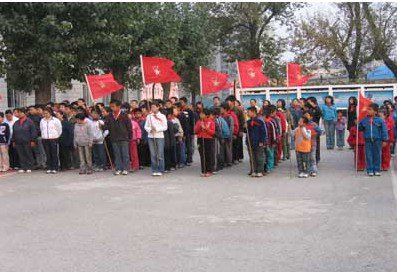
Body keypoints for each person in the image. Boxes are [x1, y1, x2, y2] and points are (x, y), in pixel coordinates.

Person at [358, 103, 388, 176]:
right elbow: (360, 129)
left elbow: (384, 130)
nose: (368, 111)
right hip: (367, 140)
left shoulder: (380, 120)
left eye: (370, 110)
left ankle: (377, 169)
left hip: (377, 140)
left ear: (375, 112)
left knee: (377, 155)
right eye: (368, 109)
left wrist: (385, 140)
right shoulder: (364, 120)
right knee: (369, 155)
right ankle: (370, 170)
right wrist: (358, 125)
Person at [105, 99, 132, 175]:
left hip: (124, 137)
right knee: (117, 154)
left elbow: (129, 127)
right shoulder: (109, 116)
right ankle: (118, 168)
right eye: (111, 107)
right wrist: (102, 126)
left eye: (113, 106)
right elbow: (106, 126)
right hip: (114, 137)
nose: (112, 108)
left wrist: (129, 137)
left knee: (125, 153)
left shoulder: (124, 115)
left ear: (119, 106)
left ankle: (126, 168)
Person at [144, 101, 168, 176]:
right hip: (151, 136)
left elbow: (165, 127)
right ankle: (154, 169)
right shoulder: (149, 116)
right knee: (153, 154)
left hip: (159, 136)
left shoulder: (162, 116)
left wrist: (156, 129)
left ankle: (161, 169)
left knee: (160, 154)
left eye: (154, 107)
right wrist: (150, 129)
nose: (152, 108)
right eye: (151, 107)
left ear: (158, 107)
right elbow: (145, 126)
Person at [12, 108, 37, 173]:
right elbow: (14, 132)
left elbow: (33, 132)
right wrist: (14, 141)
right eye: (18, 113)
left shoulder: (30, 121)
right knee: (21, 154)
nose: (19, 114)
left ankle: (30, 166)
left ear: (24, 113)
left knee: (28, 153)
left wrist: (33, 140)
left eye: (20, 113)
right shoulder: (16, 122)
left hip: (27, 141)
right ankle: (23, 167)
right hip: (18, 141)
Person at [40, 107, 62, 174]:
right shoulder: (42, 120)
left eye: (46, 113)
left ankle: (55, 167)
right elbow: (41, 129)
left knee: (54, 153)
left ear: (50, 113)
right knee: (47, 154)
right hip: (45, 139)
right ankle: (49, 167)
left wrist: (56, 136)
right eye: (44, 113)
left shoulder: (55, 120)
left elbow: (59, 130)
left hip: (53, 139)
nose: (45, 115)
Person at [194, 108, 216, 177]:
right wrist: (200, 127)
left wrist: (206, 128)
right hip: (201, 139)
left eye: (202, 114)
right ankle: (204, 170)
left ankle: (210, 170)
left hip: (208, 140)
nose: (201, 115)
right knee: (202, 155)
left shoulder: (211, 122)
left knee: (209, 155)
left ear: (206, 115)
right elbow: (195, 131)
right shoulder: (199, 122)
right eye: (200, 114)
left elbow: (213, 132)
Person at [246, 107, 267, 177]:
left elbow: (263, 132)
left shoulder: (260, 121)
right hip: (250, 142)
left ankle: (260, 170)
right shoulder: (248, 122)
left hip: (258, 142)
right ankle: (253, 170)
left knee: (259, 157)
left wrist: (262, 141)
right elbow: (246, 131)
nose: (248, 113)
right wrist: (244, 127)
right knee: (252, 157)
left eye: (249, 112)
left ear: (254, 112)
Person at [304, 111, 322, 177]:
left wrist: (315, 135)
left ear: (311, 117)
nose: (305, 116)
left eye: (307, 115)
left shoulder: (314, 124)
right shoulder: (302, 124)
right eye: (305, 115)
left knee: (312, 157)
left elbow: (320, 131)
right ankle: (307, 170)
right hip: (304, 144)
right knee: (306, 157)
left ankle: (314, 170)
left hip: (312, 143)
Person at [179, 97, 195, 165]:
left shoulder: (189, 111)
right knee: (182, 145)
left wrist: (192, 132)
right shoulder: (179, 110)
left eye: (181, 102)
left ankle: (189, 159)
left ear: (185, 102)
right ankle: (183, 159)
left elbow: (192, 122)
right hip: (181, 130)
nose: (180, 103)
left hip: (188, 131)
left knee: (188, 145)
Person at [379, 107, 394, 171]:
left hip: (387, 139)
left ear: (385, 114)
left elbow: (389, 129)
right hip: (379, 139)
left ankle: (385, 166)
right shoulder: (378, 119)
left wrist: (391, 141)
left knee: (386, 154)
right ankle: (380, 165)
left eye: (381, 114)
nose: (380, 115)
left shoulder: (390, 120)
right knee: (379, 153)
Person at [163, 108, 177, 172]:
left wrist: (172, 142)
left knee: (169, 154)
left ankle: (170, 166)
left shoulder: (169, 122)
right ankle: (168, 166)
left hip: (169, 141)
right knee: (167, 154)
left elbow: (171, 133)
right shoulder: (167, 122)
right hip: (166, 141)